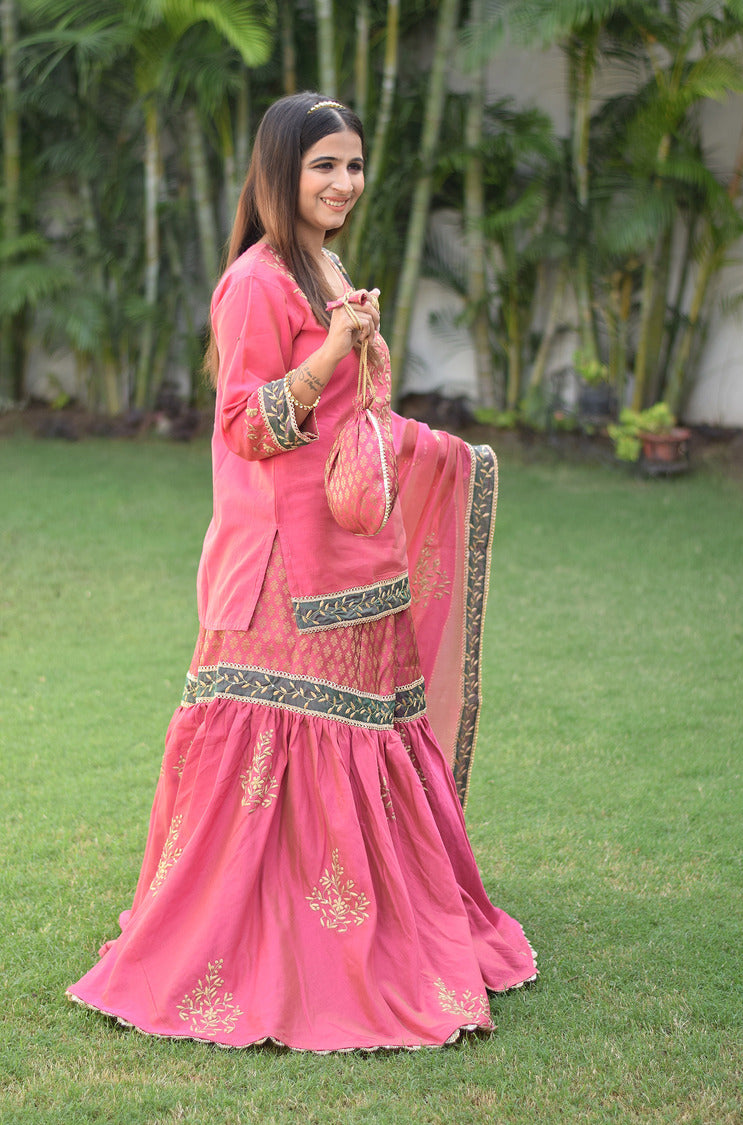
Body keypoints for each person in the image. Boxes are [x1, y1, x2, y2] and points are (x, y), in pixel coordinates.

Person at [67, 92, 537, 1052]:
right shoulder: (254, 281)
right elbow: (248, 424)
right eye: (324, 165)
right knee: (281, 747)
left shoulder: (322, 264)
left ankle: (373, 932)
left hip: (357, 556)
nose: (344, 184)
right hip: (283, 570)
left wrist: (442, 451)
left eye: (354, 165)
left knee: (368, 735)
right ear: (279, 171)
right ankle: (262, 945)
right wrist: (332, 350)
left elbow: (347, 427)